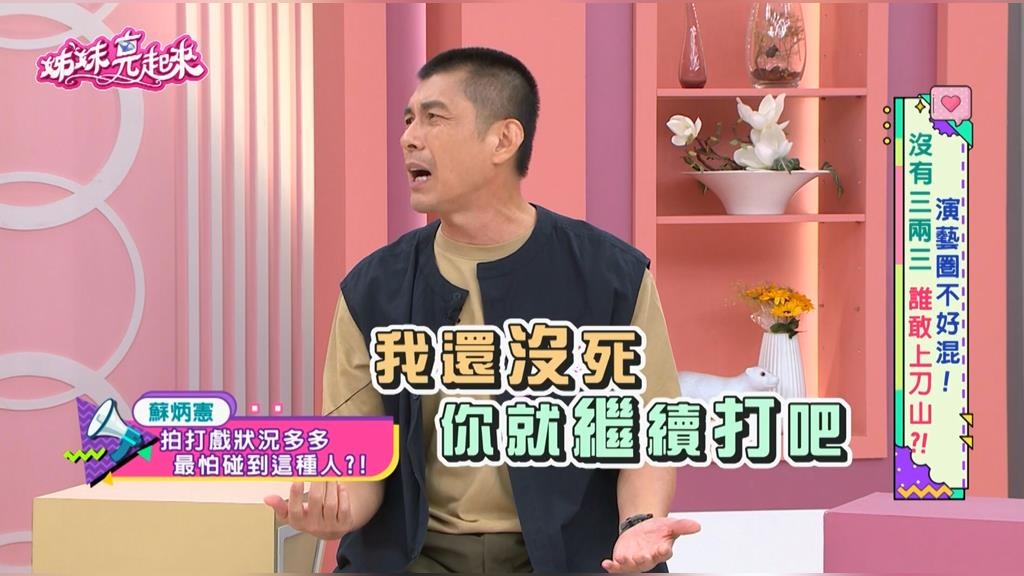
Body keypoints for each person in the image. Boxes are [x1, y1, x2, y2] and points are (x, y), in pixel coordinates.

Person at [265, 46, 701, 573]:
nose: (409, 138)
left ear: (503, 139)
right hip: (416, 558)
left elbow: (647, 433)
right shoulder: (372, 288)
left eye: (434, 118)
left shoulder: (611, 274)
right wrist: (334, 511)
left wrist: (638, 525)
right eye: (408, 120)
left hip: (568, 557)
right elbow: (361, 462)